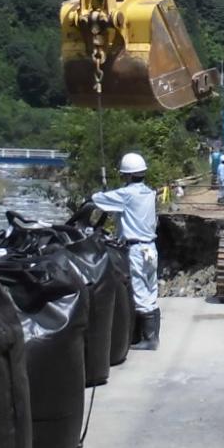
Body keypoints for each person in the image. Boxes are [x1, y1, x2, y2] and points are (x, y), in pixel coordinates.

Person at [88, 150, 161, 349]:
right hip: (151, 248)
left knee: (139, 292)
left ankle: (148, 339)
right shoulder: (149, 192)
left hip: (136, 249)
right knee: (151, 289)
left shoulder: (127, 194)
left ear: (127, 175)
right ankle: (152, 336)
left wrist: (102, 192)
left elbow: (97, 200)